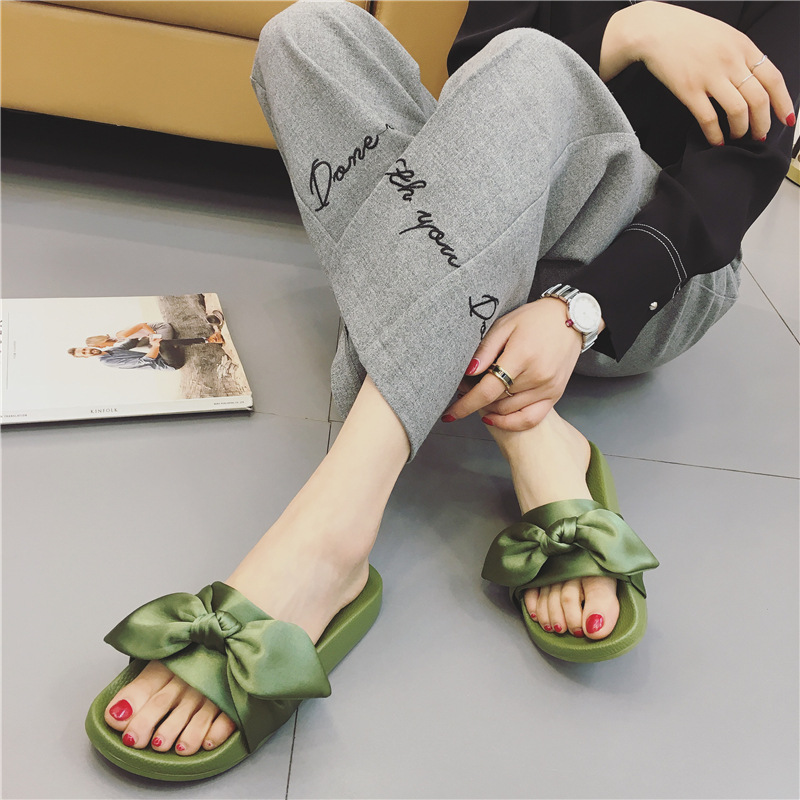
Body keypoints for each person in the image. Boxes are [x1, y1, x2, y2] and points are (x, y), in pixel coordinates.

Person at [85, 0, 798, 780]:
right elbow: (480, 65)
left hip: (642, 278)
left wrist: (580, 311)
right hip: (480, 206)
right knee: (307, 36)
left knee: (536, 59)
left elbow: (729, 191)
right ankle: (531, 428)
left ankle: (331, 534)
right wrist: (633, 30)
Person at [69, 321, 224, 370]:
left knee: (158, 342)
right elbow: (143, 361)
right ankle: (210, 340)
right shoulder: (108, 361)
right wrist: (155, 345)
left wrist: (145, 334)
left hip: (162, 355)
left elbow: (130, 342)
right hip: (169, 364)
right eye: (84, 353)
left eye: (85, 349)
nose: (88, 351)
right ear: (86, 357)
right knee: (161, 344)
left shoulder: (113, 350)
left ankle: (208, 339)